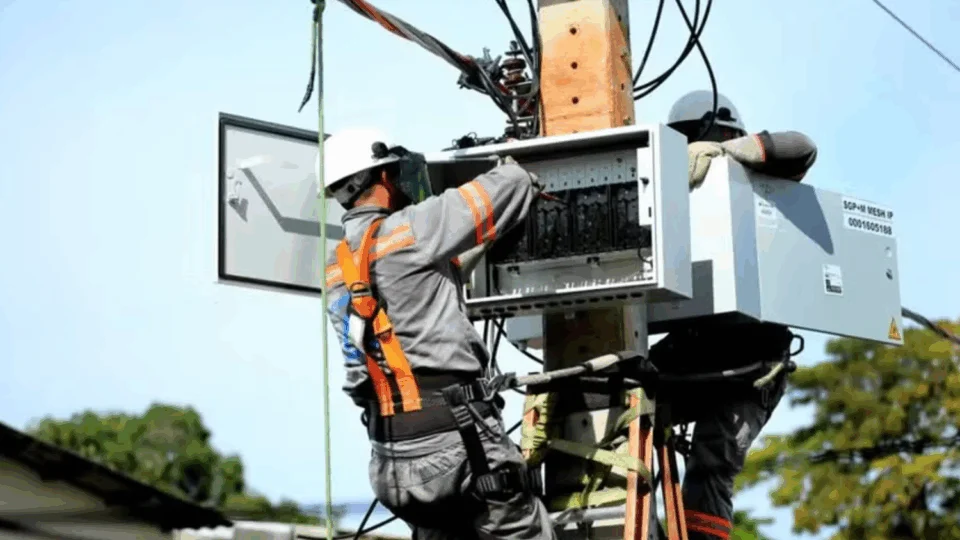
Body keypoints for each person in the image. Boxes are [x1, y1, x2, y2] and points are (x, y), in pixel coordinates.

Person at [321, 127, 557, 540]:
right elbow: (513, 183)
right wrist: (514, 156)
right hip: (458, 441)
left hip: (393, 462)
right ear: (381, 178)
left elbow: (366, 367)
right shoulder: (414, 227)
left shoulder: (336, 266)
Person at [649, 90, 818, 540]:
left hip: (751, 360)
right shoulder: (668, 188)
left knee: (712, 458)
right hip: (695, 347)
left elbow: (801, 146)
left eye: (724, 136)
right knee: (624, 411)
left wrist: (727, 155)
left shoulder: (763, 181)